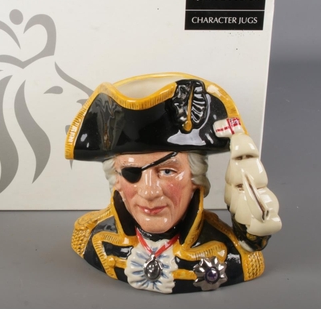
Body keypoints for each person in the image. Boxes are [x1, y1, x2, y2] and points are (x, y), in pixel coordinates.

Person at [65, 73, 281, 294]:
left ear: (196, 178)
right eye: (132, 173)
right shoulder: (89, 237)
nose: (149, 192)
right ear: (116, 180)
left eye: (167, 171)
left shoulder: (233, 255)